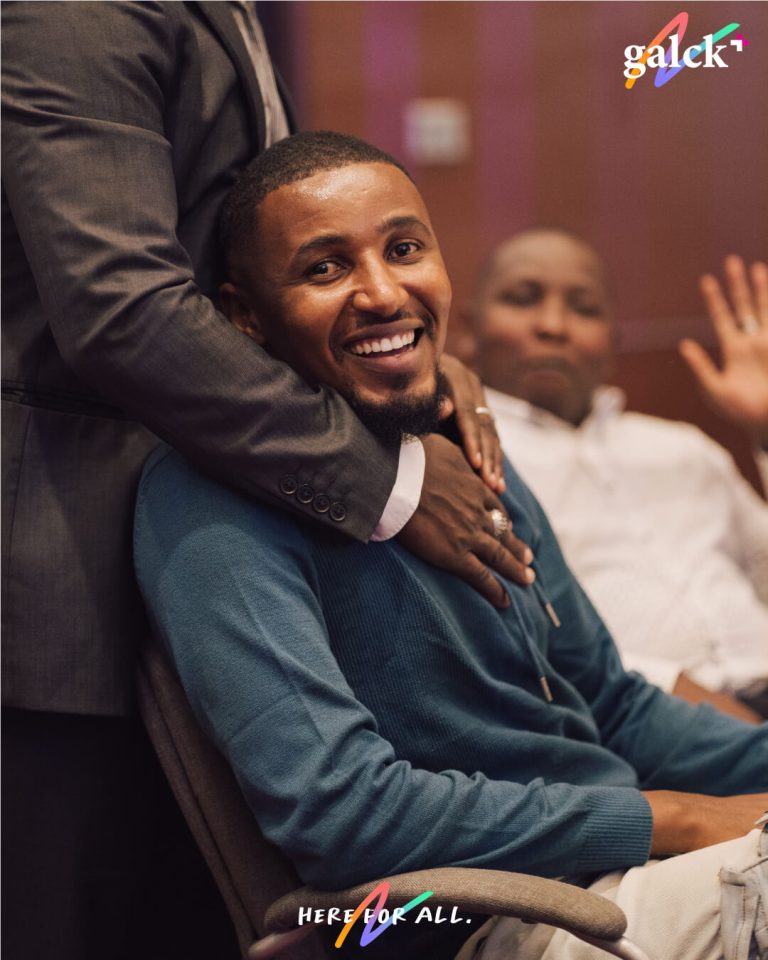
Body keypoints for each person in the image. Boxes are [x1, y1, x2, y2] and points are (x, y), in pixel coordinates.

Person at [135, 132, 768, 960]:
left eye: (404, 249)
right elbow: (344, 816)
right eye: (326, 268)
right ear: (246, 316)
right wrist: (673, 818)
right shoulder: (208, 493)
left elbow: (610, 701)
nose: (382, 292)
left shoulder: (458, 448)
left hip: (624, 872)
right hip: (492, 916)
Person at [1, 7, 529, 959]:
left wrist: (406, 366)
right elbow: (123, 307)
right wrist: (389, 472)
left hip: (193, 562)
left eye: (407, 252)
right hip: (57, 592)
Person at [468, 228, 768, 719]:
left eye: (584, 308)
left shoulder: (683, 447)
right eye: (522, 299)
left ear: (613, 342)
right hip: (639, 716)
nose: (553, 325)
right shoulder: (466, 459)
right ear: (469, 328)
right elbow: (513, 639)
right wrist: (686, 701)